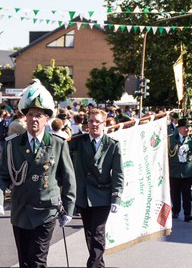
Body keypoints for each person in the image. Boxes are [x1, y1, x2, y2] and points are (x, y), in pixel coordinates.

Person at [0, 80, 76, 268]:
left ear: (46, 119)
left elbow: (68, 178)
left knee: (37, 260)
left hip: (46, 210)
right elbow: (1, 175)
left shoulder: (58, 144)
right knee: (25, 261)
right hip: (21, 210)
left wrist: (68, 208)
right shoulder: (13, 144)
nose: (34, 119)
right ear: (25, 118)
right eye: (30, 115)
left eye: (39, 115)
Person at [68, 108, 124, 268]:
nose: (93, 125)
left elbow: (119, 173)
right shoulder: (78, 142)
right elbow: (62, 151)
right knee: (89, 233)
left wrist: (116, 198)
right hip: (84, 195)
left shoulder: (112, 145)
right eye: (90, 121)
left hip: (102, 194)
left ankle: (93, 265)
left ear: (104, 124)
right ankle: (99, 264)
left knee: (98, 232)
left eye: (97, 122)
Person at [168, 118, 192, 222]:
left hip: (187, 170)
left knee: (187, 193)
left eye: (189, 127)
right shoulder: (171, 139)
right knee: (175, 192)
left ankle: (187, 213)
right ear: (179, 128)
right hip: (174, 171)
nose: (188, 129)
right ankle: (175, 210)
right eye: (185, 127)